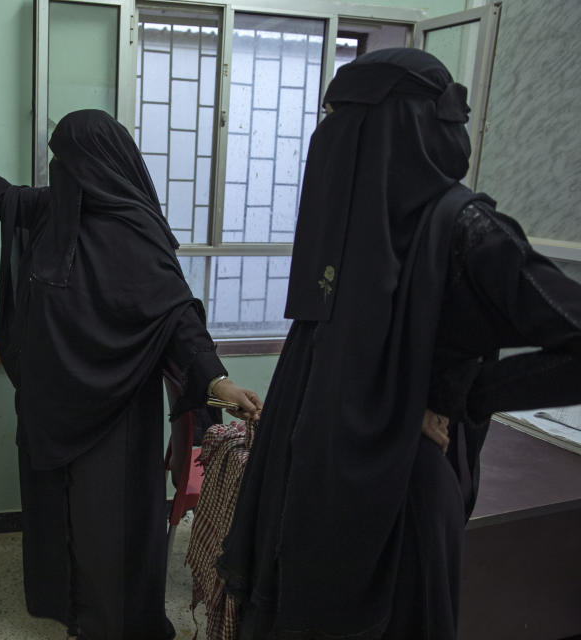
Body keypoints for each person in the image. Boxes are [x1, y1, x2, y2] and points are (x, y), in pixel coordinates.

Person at [216, 48, 581, 639]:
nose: (326, 138)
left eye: (339, 119)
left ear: (391, 127)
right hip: (314, 488)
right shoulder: (354, 229)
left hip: (395, 506)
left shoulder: (467, 233)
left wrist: (458, 390)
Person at [0, 109, 263, 640]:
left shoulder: (136, 229)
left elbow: (176, 316)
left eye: (65, 159)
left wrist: (218, 384)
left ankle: (113, 621)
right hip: (51, 406)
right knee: (59, 513)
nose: (58, 169)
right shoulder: (52, 212)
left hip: (116, 414)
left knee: (107, 523)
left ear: (94, 163)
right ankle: (67, 606)